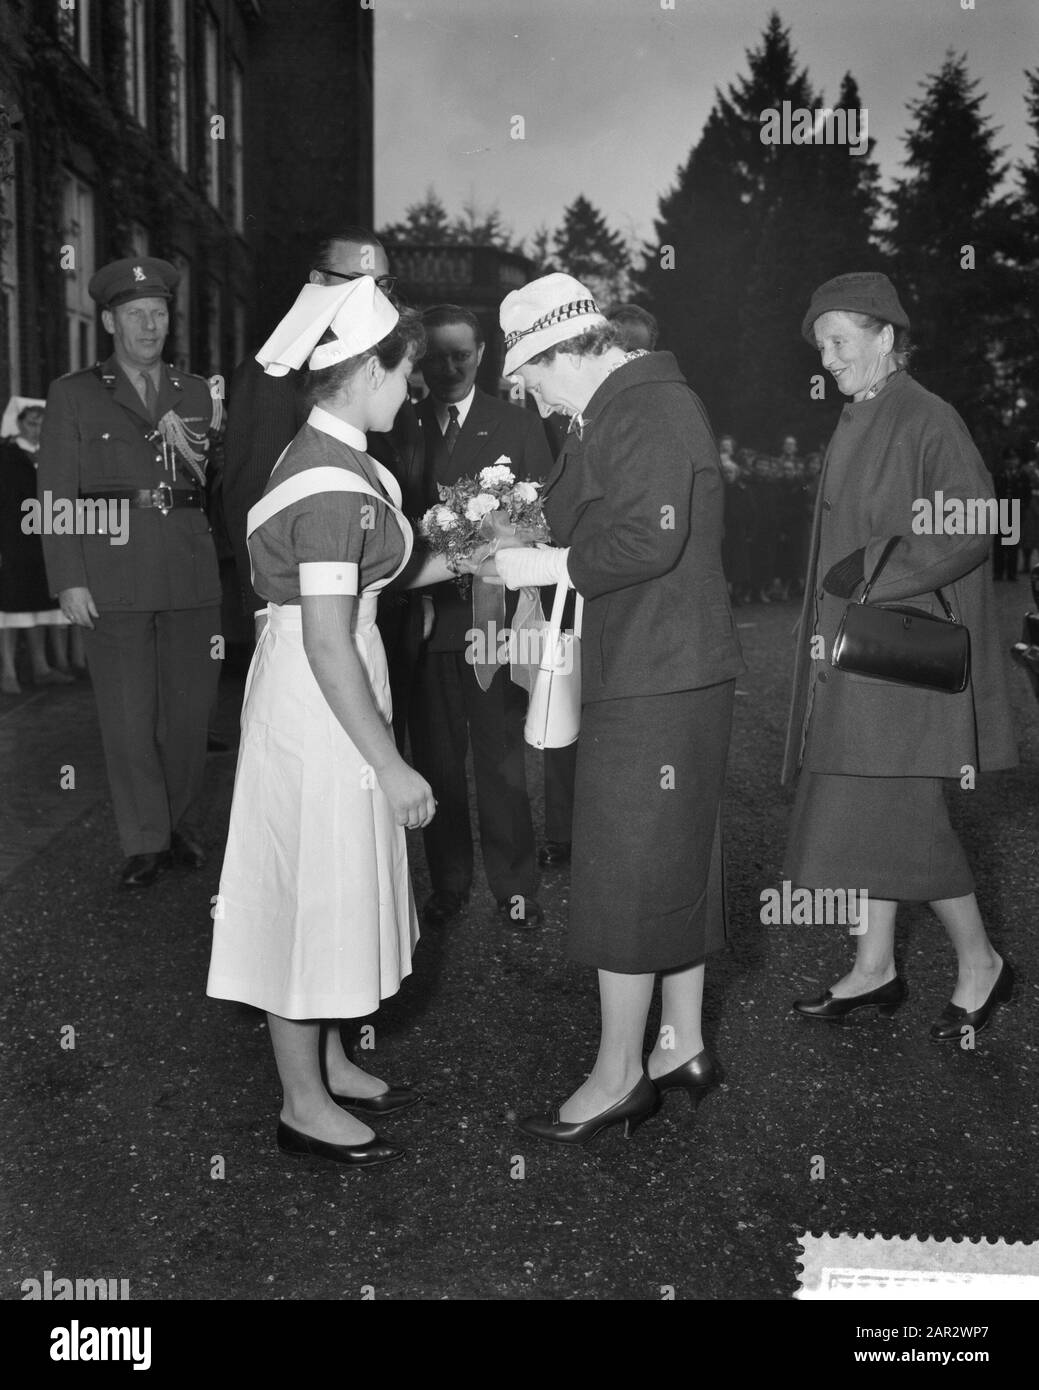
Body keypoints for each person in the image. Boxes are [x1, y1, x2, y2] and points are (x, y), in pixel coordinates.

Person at [206, 279, 498, 1167]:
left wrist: (463, 551)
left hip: (333, 682)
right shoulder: (329, 485)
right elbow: (331, 640)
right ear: (367, 368)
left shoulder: (346, 457)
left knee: (331, 883)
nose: (413, 388)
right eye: (404, 372)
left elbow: (371, 577)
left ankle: (327, 1059)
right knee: (309, 893)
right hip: (321, 697)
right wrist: (396, 767)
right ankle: (300, 1104)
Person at [490, 273, 744, 1144]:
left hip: (654, 669)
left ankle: (618, 1073)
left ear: (570, 352)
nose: (529, 393)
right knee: (672, 857)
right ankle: (680, 1045)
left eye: (532, 375)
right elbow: (582, 511)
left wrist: (543, 568)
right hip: (664, 665)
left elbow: (649, 535)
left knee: (626, 865)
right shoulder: (620, 407)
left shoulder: (646, 407)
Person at [783, 272, 1018, 1040]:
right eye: (821, 345)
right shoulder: (865, 410)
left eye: (840, 341)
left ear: (886, 337)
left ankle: (980, 960)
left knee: (902, 817)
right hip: (861, 654)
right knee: (862, 806)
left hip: (900, 657)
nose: (827, 358)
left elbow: (972, 523)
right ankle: (874, 963)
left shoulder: (926, 416)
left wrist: (873, 572)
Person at [38, 257, 222, 888]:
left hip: (189, 567)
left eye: (160, 312)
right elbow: (57, 492)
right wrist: (68, 577)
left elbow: (212, 484)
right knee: (127, 713)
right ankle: (145, 839)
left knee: (190, 714)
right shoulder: (75, 392)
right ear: (110, 320)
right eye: (136, 314)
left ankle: (178, 826)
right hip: (110, 570)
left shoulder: (195, 391)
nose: (150, 324)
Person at [220, 227, 424, 751]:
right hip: (317, 611)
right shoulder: (276, 375)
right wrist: (268, 615)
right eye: (357, 282)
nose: (373, 295)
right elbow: (255, 503)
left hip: (377, 598)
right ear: (317, 283)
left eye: (382, 283)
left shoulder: (378, 364)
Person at [409, 304, 553, 930]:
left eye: (460, 356)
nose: (447, 369)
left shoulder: (516, 425)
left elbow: (544, 518)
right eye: (435, 357)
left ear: (484, 352)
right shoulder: (398, 422)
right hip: (425, 621)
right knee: (437, 760)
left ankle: (514, 885)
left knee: (499, 759)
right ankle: (447, 882)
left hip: (493, 620)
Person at [0, 400, 77, 693]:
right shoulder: (6, 455)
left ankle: (42, 667)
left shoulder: (52, 456)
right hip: (12, 542)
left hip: (44, 541)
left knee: (39, 608)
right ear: (19, 423)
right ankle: (7, 673)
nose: (37, 429)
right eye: (32, 422)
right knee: (9, 611)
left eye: (43, 423)